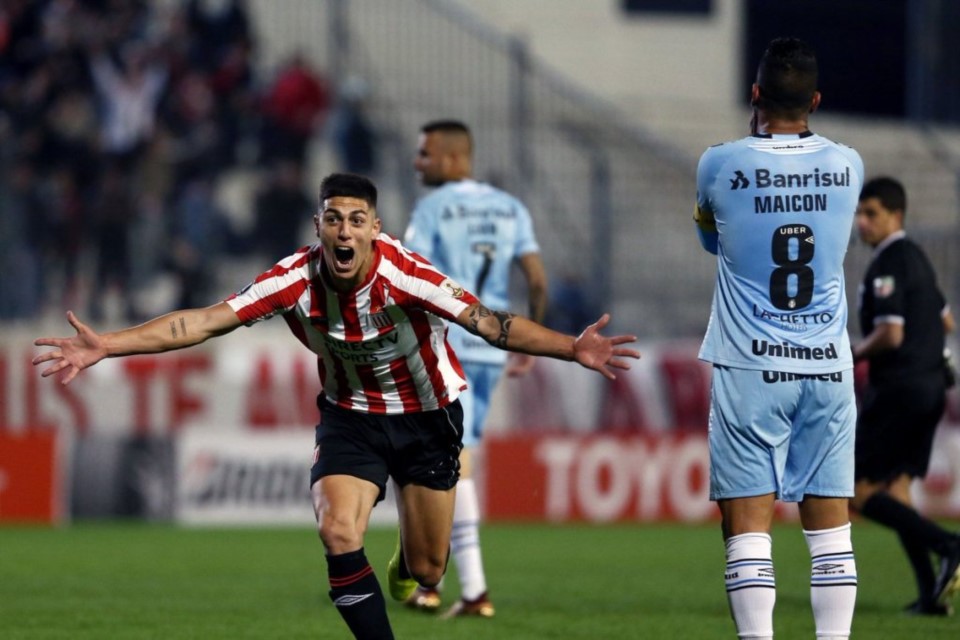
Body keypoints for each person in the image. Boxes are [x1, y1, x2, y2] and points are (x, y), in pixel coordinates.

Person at [33, 173, 639, 640]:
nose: (344, 232)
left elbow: (490, 323)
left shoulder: (408, 276)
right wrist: (107, 344)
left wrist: (571, 347)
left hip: (428, 416)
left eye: (356, 220)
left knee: (429, 570)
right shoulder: (293, 279)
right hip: (351, 418)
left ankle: (409, 562)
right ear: (318, 226)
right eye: (333, 220)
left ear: (375, 228)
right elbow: (203, 322)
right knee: (336, 529)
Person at [694, 38, 863, 639]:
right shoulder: (849, 164)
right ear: (815, 100)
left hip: (750, 366)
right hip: (827, 365)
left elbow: (712, 240)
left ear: (755, 94)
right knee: (832, 534)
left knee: (747, 531)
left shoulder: (719, 163)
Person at [400, 119, 549, 618]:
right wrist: (528, 344)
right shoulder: (510, 207)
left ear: (451, 157)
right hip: (491, 348)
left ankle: (468, 589)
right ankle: (436, 584)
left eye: (425, 154)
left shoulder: (432, 208)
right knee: (455, 460)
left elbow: (411, 276)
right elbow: (537, 281)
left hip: (447, 347)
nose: (418, 162)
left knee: (446, 466)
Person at [848, 176, 960, 616]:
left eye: (871, 213)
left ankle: (948, 544)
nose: (862, 222)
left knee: (855, 491)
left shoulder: (890, 260)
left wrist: (853, 353)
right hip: (931, 388)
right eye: (859, 213)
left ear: (896, 215)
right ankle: (930, 596)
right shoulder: (918, 258)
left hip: (898, 389)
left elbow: (891, 334)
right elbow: (946, 321)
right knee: (896, 490)